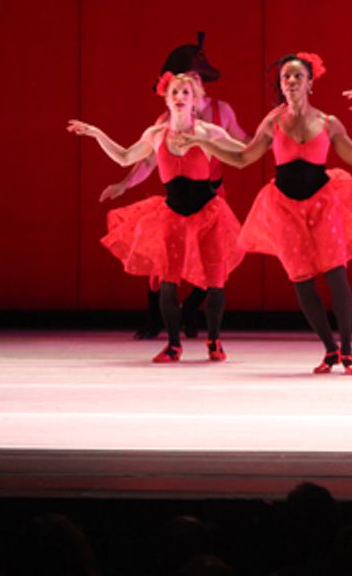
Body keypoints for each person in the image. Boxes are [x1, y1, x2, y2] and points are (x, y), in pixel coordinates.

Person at [180, 53, 352, 375]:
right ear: (281, 84)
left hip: (323, 204)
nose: (292, 82)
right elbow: (243, 158)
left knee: (337, 275)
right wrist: (205, 143)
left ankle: (348, 351)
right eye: (287, 77)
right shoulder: (273, 122)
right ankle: (330, 349)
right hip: (285, 208)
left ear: (310, 83)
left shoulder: (328, 123)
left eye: (298, 76)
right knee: (302, 281)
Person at [68, 71, 244, 362]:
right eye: (174, 92)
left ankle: (214, 340)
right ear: (166, 98)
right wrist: (98, 134)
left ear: (196, 101)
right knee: (167, 281)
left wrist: (273, 134)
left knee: (215, 281)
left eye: (186, 93)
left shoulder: (209, 132)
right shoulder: (156, 134)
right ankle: (174, 344)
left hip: (209, 214)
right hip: (173, 214)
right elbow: (125, 157)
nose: (179, 98)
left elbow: (247, 153)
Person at [101, 32, 249, 340]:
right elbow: (142, 161)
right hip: (177, 195)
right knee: (163, 265)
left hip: (211, 196)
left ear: (199, 86)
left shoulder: (221, 114)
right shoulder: (162, 125)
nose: (186, 87)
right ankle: (159, 320)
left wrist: (272, 140)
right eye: (179, 85)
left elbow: (245, 147)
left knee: (211, 266)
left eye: (193, 79)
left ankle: (192, 313)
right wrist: (123, 185)